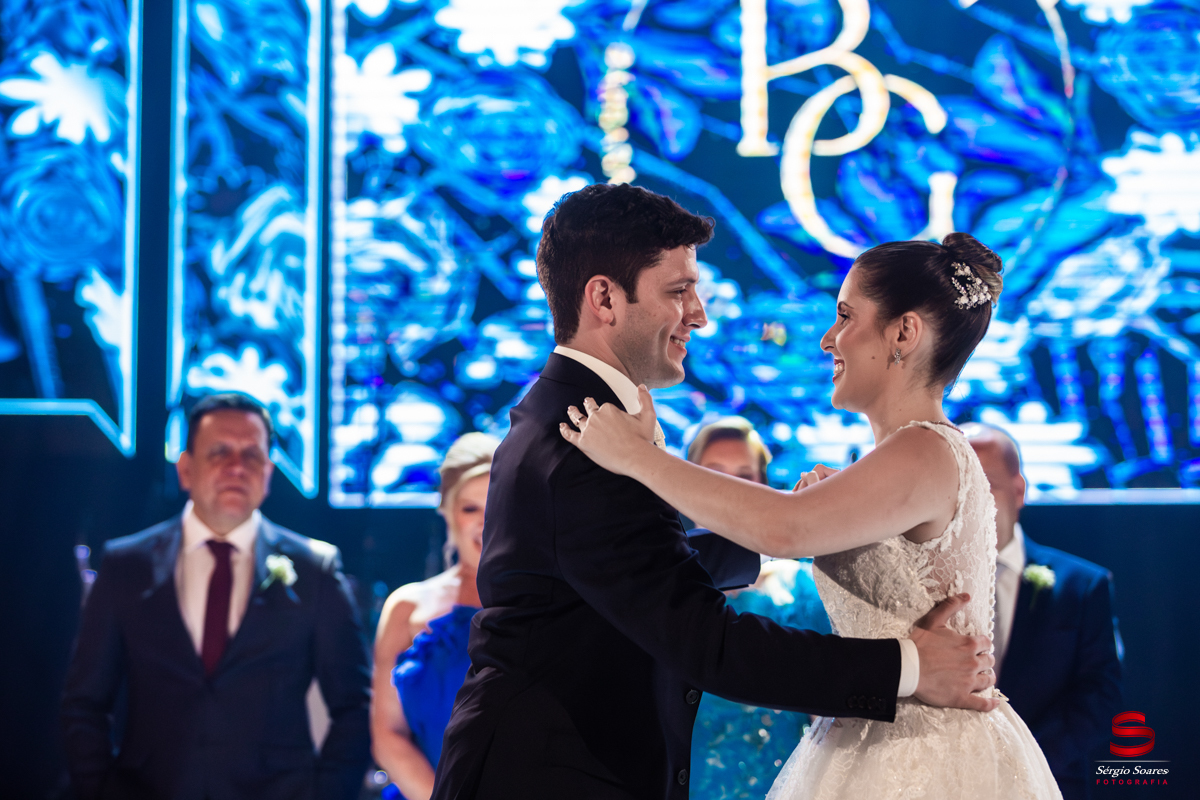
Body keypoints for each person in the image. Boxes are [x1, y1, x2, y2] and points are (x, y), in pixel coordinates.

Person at [432, 184, 996, 800]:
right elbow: (703, 637)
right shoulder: (584, 439)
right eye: (679, 291)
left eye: (844, 316)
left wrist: (817, 522)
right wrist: (909, 667)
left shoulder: (584, 422)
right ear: (604, 298)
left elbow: (638, 564)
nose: (699, 314)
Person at [563, 231, 1062, 798]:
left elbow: (784, 527)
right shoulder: (906, 456)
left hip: (921, 756)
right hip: (875, 736)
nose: (828, 340)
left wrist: (638, 457)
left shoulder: (924, 449)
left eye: (845, 316)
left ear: (904, 332)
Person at [61, 393, 371, 800]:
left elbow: (354, 705)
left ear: (268, 473)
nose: (237, 467)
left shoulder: (315, 569)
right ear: (185, 469)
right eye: (219, 452)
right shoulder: (126, 565)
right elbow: (84, 703)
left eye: (252, 455)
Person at [965, 423, 1122, 800]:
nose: (970, 500)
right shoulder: (922, 582)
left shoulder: (1081, 586)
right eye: (959, 486)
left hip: (1046, 782)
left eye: (985, 485)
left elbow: (1099, 696)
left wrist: (1020, 763)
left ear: (1018, 491)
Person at [685, 418, 833, 799]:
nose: (730, 488)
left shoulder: (804, 591)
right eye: (713, 474)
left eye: (744, 476)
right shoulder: (662, 591)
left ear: (763, 487)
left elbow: (832, 715)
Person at [371, 432, 499, 800]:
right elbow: (387, 734)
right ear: (448, 514)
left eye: (495, 506)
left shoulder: (547, 601)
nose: (483, 522)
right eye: (470, 508)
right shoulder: (406, 607)